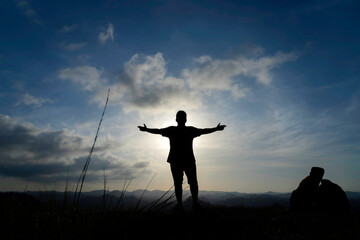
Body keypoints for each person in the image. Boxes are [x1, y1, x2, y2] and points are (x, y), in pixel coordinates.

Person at [138, 110, 226, 211]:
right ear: (185, 119)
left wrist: (146, 129)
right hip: (186, 160)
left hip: (177, 161)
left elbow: (158, 131)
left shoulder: (173, 130)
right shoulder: (189, 130)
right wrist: (216, 129)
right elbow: (203, 131)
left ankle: (183, 205)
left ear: (176, 119)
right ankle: (192, 204)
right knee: (191, 182)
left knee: (180, 183)